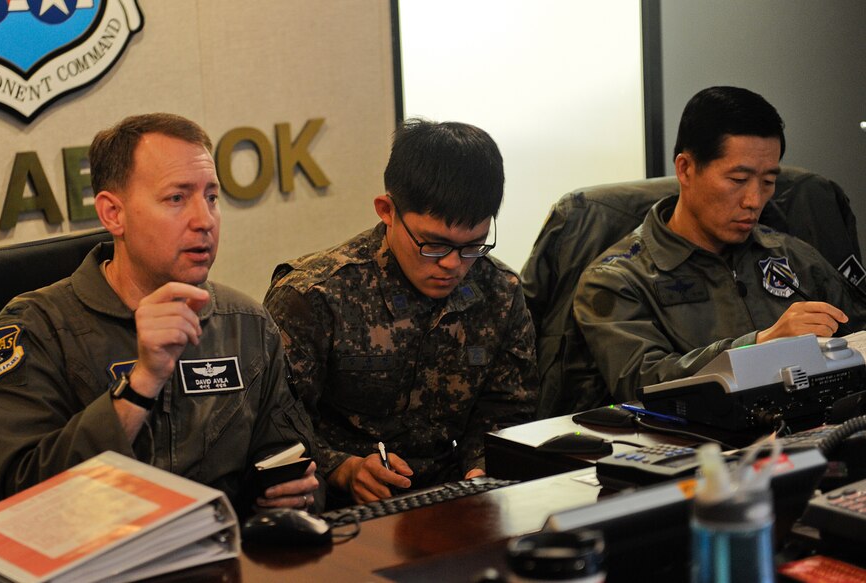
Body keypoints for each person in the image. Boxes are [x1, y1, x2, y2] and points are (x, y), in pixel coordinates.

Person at [0, 113, 321, 515]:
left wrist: (295, 493)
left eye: (211, 197)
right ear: (113, 214)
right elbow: (20, 496)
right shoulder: (33, 329)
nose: (204, 220)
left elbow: (293, 461)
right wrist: (143, 381)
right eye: (177, 198)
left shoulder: (245, 324)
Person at [264, 119, 539, 504]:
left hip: (460, 500)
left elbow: (507, 408)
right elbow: (274, 425)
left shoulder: (500, 291)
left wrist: (482, 467)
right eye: (434, 245)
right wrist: (342, 467)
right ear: (387, 211)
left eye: (474, 245)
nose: (453, 265)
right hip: (346, 506)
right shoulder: (315, 295)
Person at [573, 86, 866, 403]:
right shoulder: (617, 279)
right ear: (686, 169)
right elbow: (642, 382)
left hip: (812, 436)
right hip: (697, 447)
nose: (754, 200)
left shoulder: (791, 255)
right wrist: (760, 345)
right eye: (738, 180)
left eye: (768, 182)